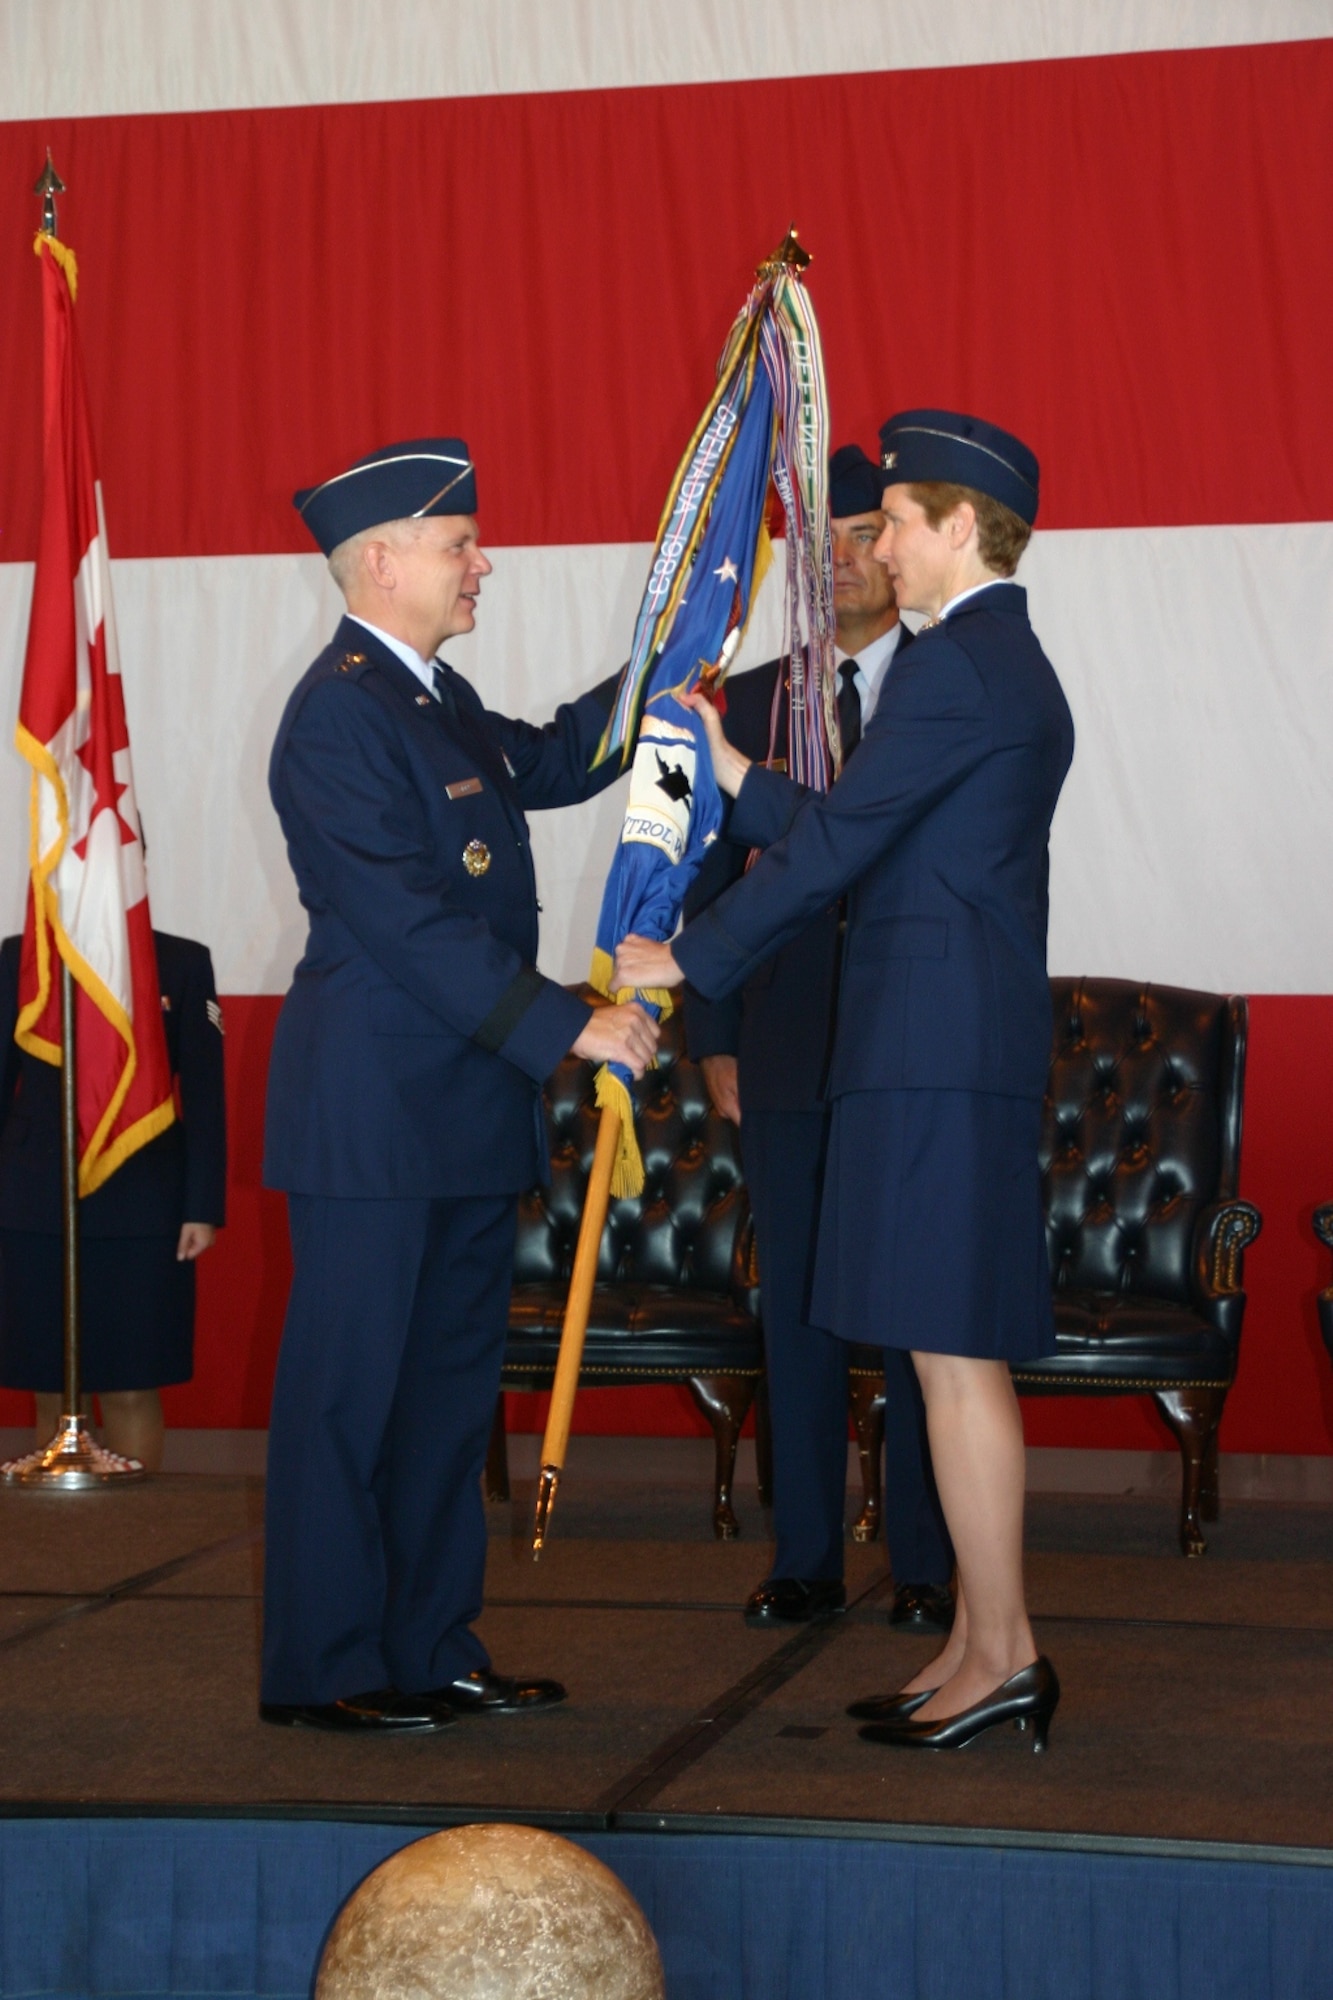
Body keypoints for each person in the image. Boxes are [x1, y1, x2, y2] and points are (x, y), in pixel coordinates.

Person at [616, 409, 1075, 1753]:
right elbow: (844, 832)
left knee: (954, 1359)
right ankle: (983, 1643)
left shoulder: (963, 665)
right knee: (941, 1359)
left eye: (890, 525)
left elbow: (833, 859)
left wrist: (678, 957)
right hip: (931, 1045)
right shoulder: (980, 661)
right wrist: (734, 770)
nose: (873, 544)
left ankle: (1007, 1654)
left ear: (948, 526)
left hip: (933, 1052)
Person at [261, 437, 657, 1735]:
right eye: (459, 543)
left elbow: (556, 759)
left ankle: (431, 1649)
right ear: (382, 560)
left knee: (439, 1408)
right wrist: (568, 1030)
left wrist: (673, 661)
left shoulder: (433, 699)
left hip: (467, 1114)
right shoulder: (338, 711)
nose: (482, 562)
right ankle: (329, 1668)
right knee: (349, 1404)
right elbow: (408, 923)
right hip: (374, 1121)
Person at [682, 444, 953, 1634]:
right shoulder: (746, 703)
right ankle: (802, 1552)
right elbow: (701, 881)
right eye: (821, 541)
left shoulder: (946, 685)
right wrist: (716, 1030)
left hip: (909, 1042)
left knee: (913, 1310)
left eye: (862, 534)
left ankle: (931, 1558)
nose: (842, 560)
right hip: (784, 1043)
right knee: (792, 1306)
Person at [0, 930, 226, 1472]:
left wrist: (203, 1205)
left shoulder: (182, 961)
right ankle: (64, 1540)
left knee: (131, 1387)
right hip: (38, 1198)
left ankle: (131, 1531)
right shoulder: (21, 957)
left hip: (143, 1202)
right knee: (52, 1390)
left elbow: (204, 1091)